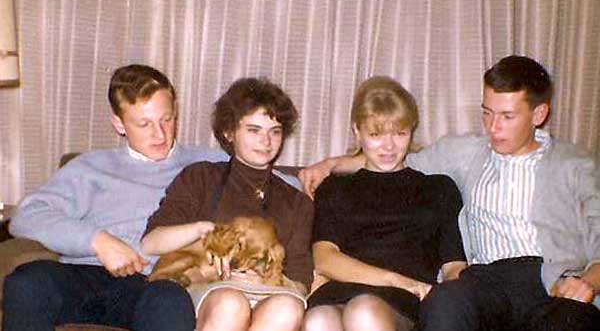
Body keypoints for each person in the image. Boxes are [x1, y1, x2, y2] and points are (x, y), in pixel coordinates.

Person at [299, 55, 600, 330]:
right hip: (486, 282)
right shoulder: (464, 153)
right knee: (446, 301)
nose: (493, 128)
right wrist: (332, 163)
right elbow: (394, 166)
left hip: (551, 281)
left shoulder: (575, 166)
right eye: (487, 113)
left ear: (539, 114)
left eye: (507, 116)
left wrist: (587, 282)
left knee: (570, 321)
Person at [2, 64, 231, 331]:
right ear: (119, 124)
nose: (160, 134)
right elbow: (26, 215)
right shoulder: (90, 167)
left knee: (169, 300)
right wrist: (98, 241)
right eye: (144, 124)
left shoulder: (207, 163)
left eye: (166, 119)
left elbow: (269, 182)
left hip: (153, 284)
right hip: (86, 276)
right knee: (27, 282)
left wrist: (294, 176)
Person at [141, 77, 314, 331]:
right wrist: (203, 230)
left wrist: (265, 280)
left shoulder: (297, 201)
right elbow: (151, 243)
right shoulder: (201, 177)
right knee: (231, 303)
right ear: (229, 132)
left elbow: (300, 281)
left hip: (267, 292)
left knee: (288, 307)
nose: (266, 141)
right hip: (205, 287)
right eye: (254, 130)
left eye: (274, 132)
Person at [301, 77, 466, 331]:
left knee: (363, 311)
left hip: (405, 303)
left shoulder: (438, 189)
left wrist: (448, 304)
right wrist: (397, 280)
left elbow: (454, 265)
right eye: (376, 134)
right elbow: (325, 258)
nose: (388, 146)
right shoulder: (335, 188)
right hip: (344, 293)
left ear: (411, 130)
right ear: (357, 132)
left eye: (399, 133)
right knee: (318, 320)